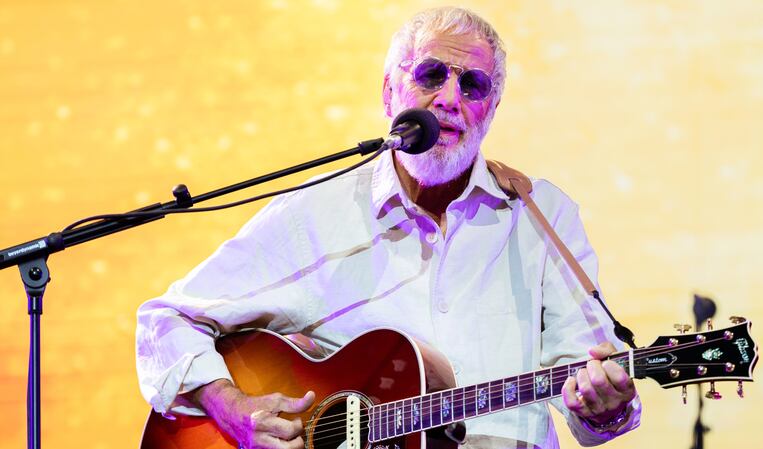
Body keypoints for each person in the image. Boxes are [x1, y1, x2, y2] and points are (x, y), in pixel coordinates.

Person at [136, 6, 641, 449]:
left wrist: (607, 404)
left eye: (473, 85)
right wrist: (234, 409)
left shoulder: (543, 218)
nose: (449, 98)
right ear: (388, 91)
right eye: (430, 75)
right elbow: (165, 322)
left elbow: (595, 401)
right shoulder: (315, 211)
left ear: (491, 110)